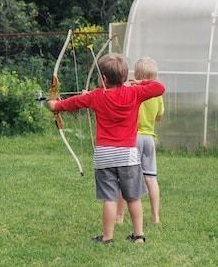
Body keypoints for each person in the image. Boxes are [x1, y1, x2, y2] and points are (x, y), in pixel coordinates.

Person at [48, 53, 165, 244]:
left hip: (104, 156)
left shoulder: (96, 96)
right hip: (128, 156)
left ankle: (107, 237)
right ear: (125, 77)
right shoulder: (134, 93)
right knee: (133, 197)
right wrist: (138, 83)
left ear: (103, 79)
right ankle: (138, 236)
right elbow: (159, 87)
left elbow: (73, 103)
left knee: (109, 198)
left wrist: (55, 105)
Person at [116, 57, 164, 224]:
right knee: (151, 178)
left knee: (126, 178)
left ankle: (119, 216)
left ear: (136, 74)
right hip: (149, 139)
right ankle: (155, 217)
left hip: (133, 138)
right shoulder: (157, 95)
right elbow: (159, 117)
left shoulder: (132, 90)